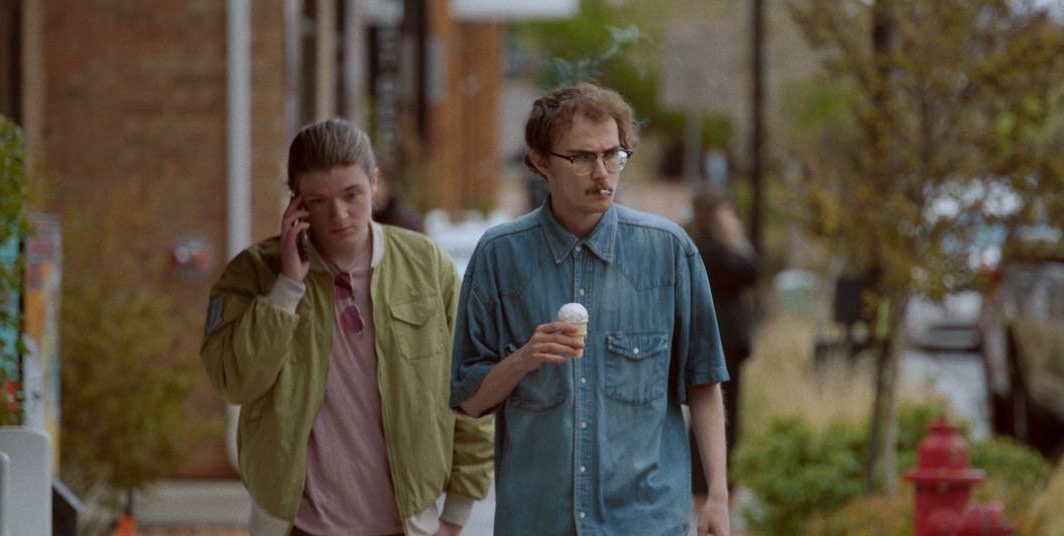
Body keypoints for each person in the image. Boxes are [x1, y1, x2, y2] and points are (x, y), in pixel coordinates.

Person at [450, 82, 732, 536]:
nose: (602, 172)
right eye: (581, 157)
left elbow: (703, 379)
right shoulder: (498, 256)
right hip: (537, 521)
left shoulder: (669, 251)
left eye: (613, 155)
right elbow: (469, 398)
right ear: (541, 162)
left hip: (645, 521)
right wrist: (523, 359)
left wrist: (717, 495)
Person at [201, 118, 493, 536]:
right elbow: (234, 383)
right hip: (295, 527)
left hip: (407, 526)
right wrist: (286, 288)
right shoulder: (253, 273)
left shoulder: (427, 265)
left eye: (351, 195)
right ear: (296, 203)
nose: (338, 215)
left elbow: (473, 388)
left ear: (375, 183)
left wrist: (455, 515)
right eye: (318, 201)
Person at [685, 187, 760, 497]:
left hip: (710, 338)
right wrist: (737, 238)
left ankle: (705, 481)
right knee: (722, 412)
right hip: (723, 341)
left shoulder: (695, 246)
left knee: (709, 406)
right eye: (727, 212)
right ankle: (714, 482)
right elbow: (751, 271)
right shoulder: (714, 249)